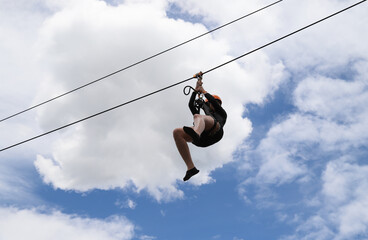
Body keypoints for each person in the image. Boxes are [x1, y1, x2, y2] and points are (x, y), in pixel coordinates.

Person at [173, 73, 227, 181]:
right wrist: (195, 91)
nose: (217, 104)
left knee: (198, 116)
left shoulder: (222, 113)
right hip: (202, 140)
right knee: (177, 132)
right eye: (215, 102)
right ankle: (190, 167)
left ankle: (196, 133)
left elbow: (214, 104)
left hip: (215, 132)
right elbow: (191, 106)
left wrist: (203, 91)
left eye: (218, 102)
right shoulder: (204, 113)